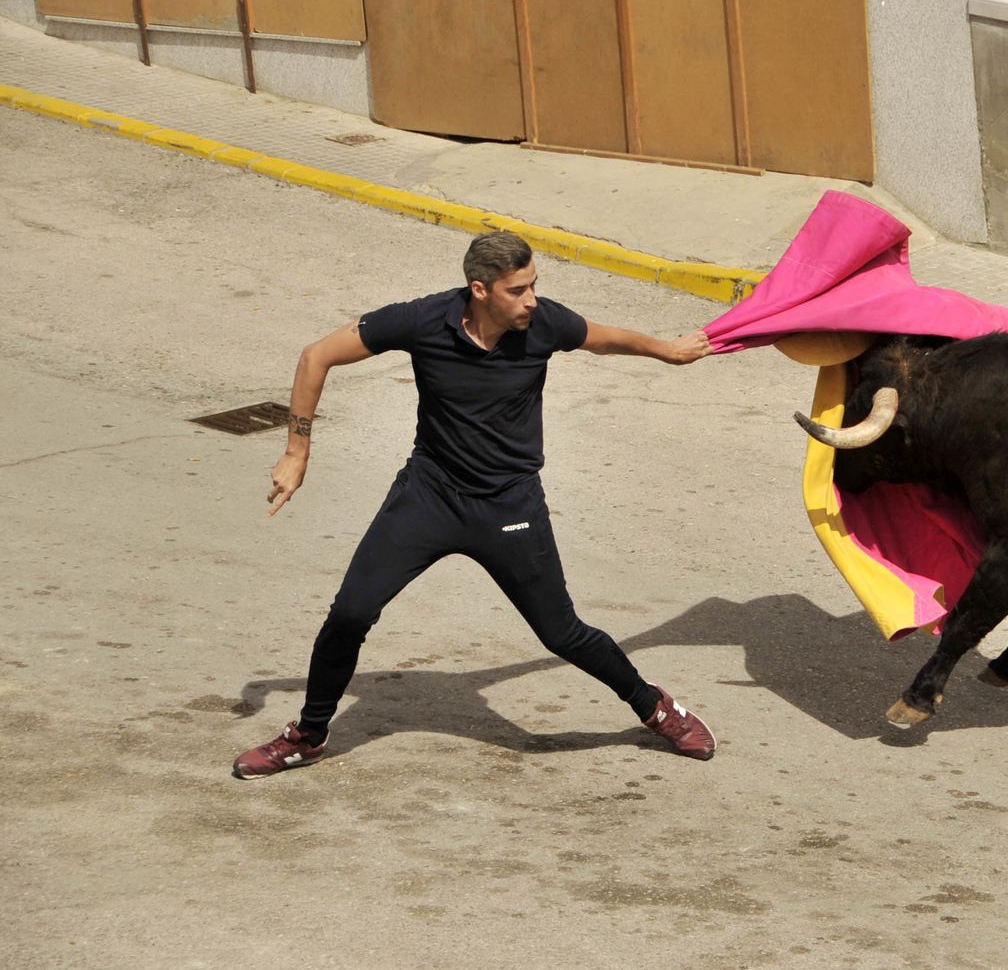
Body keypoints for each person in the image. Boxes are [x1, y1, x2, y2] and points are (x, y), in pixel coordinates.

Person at [233, 230, 715, 778]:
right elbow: (316, 355)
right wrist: (298, 449)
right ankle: (309, 735)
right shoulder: (422, 320)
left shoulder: (545, 322)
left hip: (509, 503)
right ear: (480, 290)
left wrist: (666, 350)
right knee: (350, 613)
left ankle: (654, 706)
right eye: (518, 290)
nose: (532, 299)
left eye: (534, 285)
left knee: (562, 633)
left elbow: (603, 338)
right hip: (429, 496)